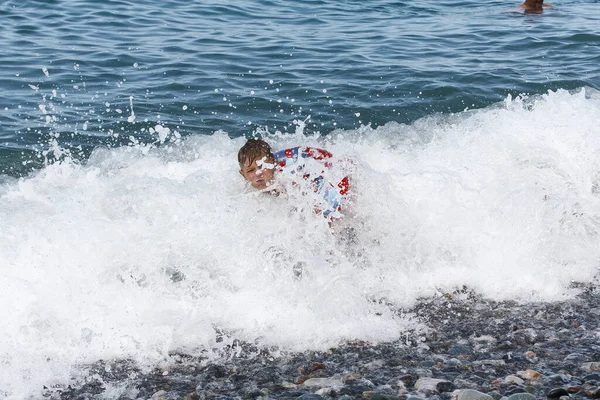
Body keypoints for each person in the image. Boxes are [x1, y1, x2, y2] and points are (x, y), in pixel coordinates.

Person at [238, 138, 350, 220]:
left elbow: (308, 199)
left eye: (263, 167)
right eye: (250, 171)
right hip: (308, 159)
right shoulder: (258, 177)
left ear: (274, 164)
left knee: (329, 214)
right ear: (243, 174)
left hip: (329, 168)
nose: (258, 173)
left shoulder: (286, 177)